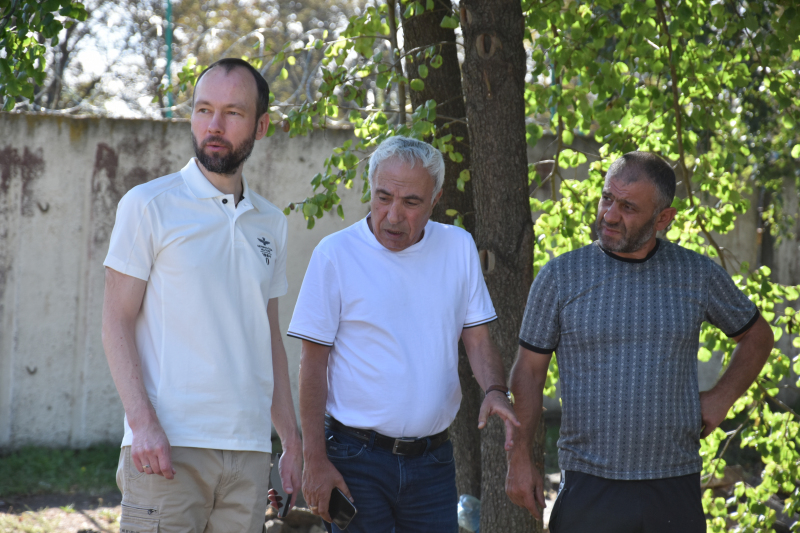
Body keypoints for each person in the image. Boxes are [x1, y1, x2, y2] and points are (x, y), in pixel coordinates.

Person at [505, 151, 774, 532]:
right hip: (588, 483)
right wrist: (519, 459)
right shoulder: (560, 277)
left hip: (673, 483)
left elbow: (758, 335)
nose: (610, 215)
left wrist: (722, 397)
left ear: (663, 218)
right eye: (607, 198)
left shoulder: (696, 275)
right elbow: (528, 374)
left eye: (628, 207)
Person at [102, 58, 302, 533]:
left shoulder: (271, 222)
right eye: (203, 109)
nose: (214, 125)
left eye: (233, 113)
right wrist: (143, 424)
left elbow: (268, 337)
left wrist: (290, 441)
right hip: (168, 448)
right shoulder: (149, 205)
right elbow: (115, 320)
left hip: (249, 453)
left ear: (261, 125)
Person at [288, 136, 519, 533]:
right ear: (371, 189)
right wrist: (315, 459)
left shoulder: (458, 247)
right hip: (354, 458)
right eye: (383, 198)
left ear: (435, 199)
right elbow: (312, 364)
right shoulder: (335, 253)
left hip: (433, 461)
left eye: (411, 202)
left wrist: (496, 390)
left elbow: (478, 339)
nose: (393, 215)